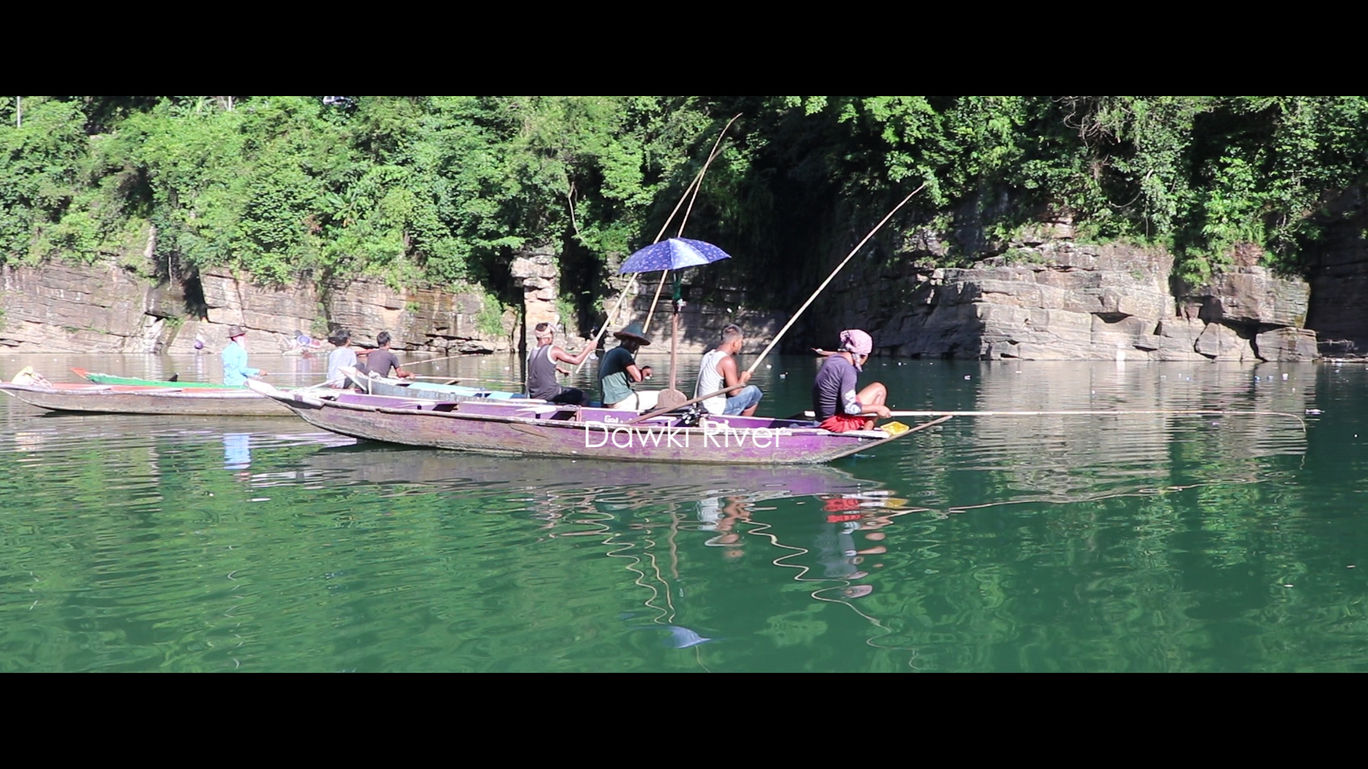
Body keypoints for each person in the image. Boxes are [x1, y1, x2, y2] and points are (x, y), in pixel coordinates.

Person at [811, 328, 891, 431]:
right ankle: (867, 431)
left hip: (822, 418)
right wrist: (878, 408)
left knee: (877, 387)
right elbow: (849, 409)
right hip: (834, 423)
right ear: (863, 355)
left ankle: (865, 428)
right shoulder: (847, 369)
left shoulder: (833, 360)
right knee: (880, 389)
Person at [695, 323, 763, 416]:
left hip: (701, 407)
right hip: (715, 410)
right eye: (741, 342)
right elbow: (734, 392)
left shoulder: (708, 355)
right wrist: (743, 379)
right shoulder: (726, 361)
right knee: (754, 391)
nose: (741, 345)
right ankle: (741, 425)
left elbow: (727, 388)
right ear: (735, 343)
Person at [526, 322, 593, 404]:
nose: (553, 337)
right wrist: (589, 348)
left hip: (534, 395)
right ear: (548, 336)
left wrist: (558, 368)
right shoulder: (553, 350)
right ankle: (575, 416)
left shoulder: (532, 351)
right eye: (552, 334)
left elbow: (539, 365)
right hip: (550, 394)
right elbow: (576, 361)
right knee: (584, 396)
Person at [598, 322, 654, 409]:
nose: (636, 347)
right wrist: (645, 371)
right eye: (635, 343)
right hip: (620, 401)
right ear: (626, 341)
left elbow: (630, 378)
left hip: (608, 401)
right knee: (660, 396)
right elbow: (638, 378)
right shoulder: (623, 353)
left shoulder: (610, 352)